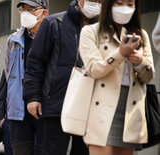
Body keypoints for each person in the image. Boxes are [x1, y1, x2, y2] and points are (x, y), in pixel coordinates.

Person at [23, 0, 101, 154]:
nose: (96, 3)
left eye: (100, 1)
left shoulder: (104, 28)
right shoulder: (54, 22)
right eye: (92, 0)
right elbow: (35, 63)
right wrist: (33, 97)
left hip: (91, 105)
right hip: (56, 103)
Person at [79, 0, 155, 154]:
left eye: (130, 4)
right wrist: (120, 54)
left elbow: (149, 76)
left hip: (131, 107)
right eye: (119, 3)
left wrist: (140, 61)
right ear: (108, 5)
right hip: (101, 105)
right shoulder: (91, 32)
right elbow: (94, 69)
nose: (124, 9)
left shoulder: (141, 34)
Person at [0, 0, 48, 154]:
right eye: (22, 10)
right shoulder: (13, 39)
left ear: (43, 12)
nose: (25, 14)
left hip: (44, 107)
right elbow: (8, 73)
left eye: (31, 9)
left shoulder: (53, 35)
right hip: (18, 110)